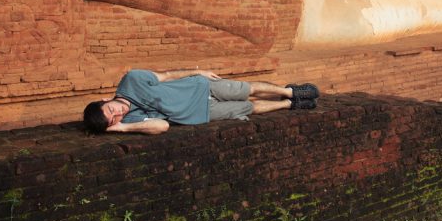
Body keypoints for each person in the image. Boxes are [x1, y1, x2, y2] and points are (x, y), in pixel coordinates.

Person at [83, 69, 320, 134]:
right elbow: (162, 126)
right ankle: (289, 104)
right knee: (249, 107)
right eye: (113, 119)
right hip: (202, 112)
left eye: (112, 109)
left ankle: (289, 91)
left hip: (199, 86)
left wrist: (199, 72)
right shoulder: (131, 120)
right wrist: (123, 127)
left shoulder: (132, 79)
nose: (119, 113)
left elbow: (166, 76)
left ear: (105, 99)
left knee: (247, 88)